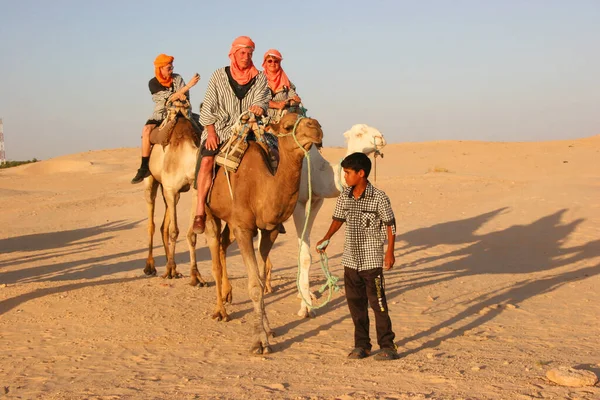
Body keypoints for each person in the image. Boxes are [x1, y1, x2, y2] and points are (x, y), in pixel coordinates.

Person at [316, 152, 399, 361]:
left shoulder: (379, 197)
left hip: (371, 261)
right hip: (350, 261)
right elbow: (338, 218)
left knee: (378, 305)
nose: (345, 177)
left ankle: (388, 346)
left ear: (361, 173)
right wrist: (326, 238)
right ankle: (362, 345)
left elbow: (391, 225)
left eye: (348, 173)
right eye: (344, 173)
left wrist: (390, 252)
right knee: (356, 306)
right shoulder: (345, 195)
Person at [192, 36, 270, 234]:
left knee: (271, 157)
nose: (245, 57)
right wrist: (210, 133)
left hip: (248, 130)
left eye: (249, 53)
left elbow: (263, 99)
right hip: (219, 130)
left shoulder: (260, 77)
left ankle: (270, 210)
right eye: (242, 53)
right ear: (233, 54)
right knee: (208, 160)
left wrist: (259, 108)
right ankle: (200, 210)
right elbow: (208, 106)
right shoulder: (219, 76)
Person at [131, 54, 200, 184]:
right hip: (161, 115)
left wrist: (182, 93)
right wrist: (188, 86)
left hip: (182, 112)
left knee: (205, 124)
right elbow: (167, 99)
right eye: (168, 68)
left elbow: (184, 97)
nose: (171, 70)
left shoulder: (177, 78)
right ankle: (144, 166)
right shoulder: (153, 83)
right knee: (146, 130)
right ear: (160, 68)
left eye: (172, 67)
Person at [262, 49, 302, 123]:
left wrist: (294, 101)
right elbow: (257, 99)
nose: (273, 64)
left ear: (279, 63)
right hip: (263, 118)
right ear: (265, 63)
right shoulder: (259, 80)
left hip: (284, 118)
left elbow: (292, 96)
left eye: (276, 61)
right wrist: (276, 105)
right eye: (270, 61)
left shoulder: (286, 82)